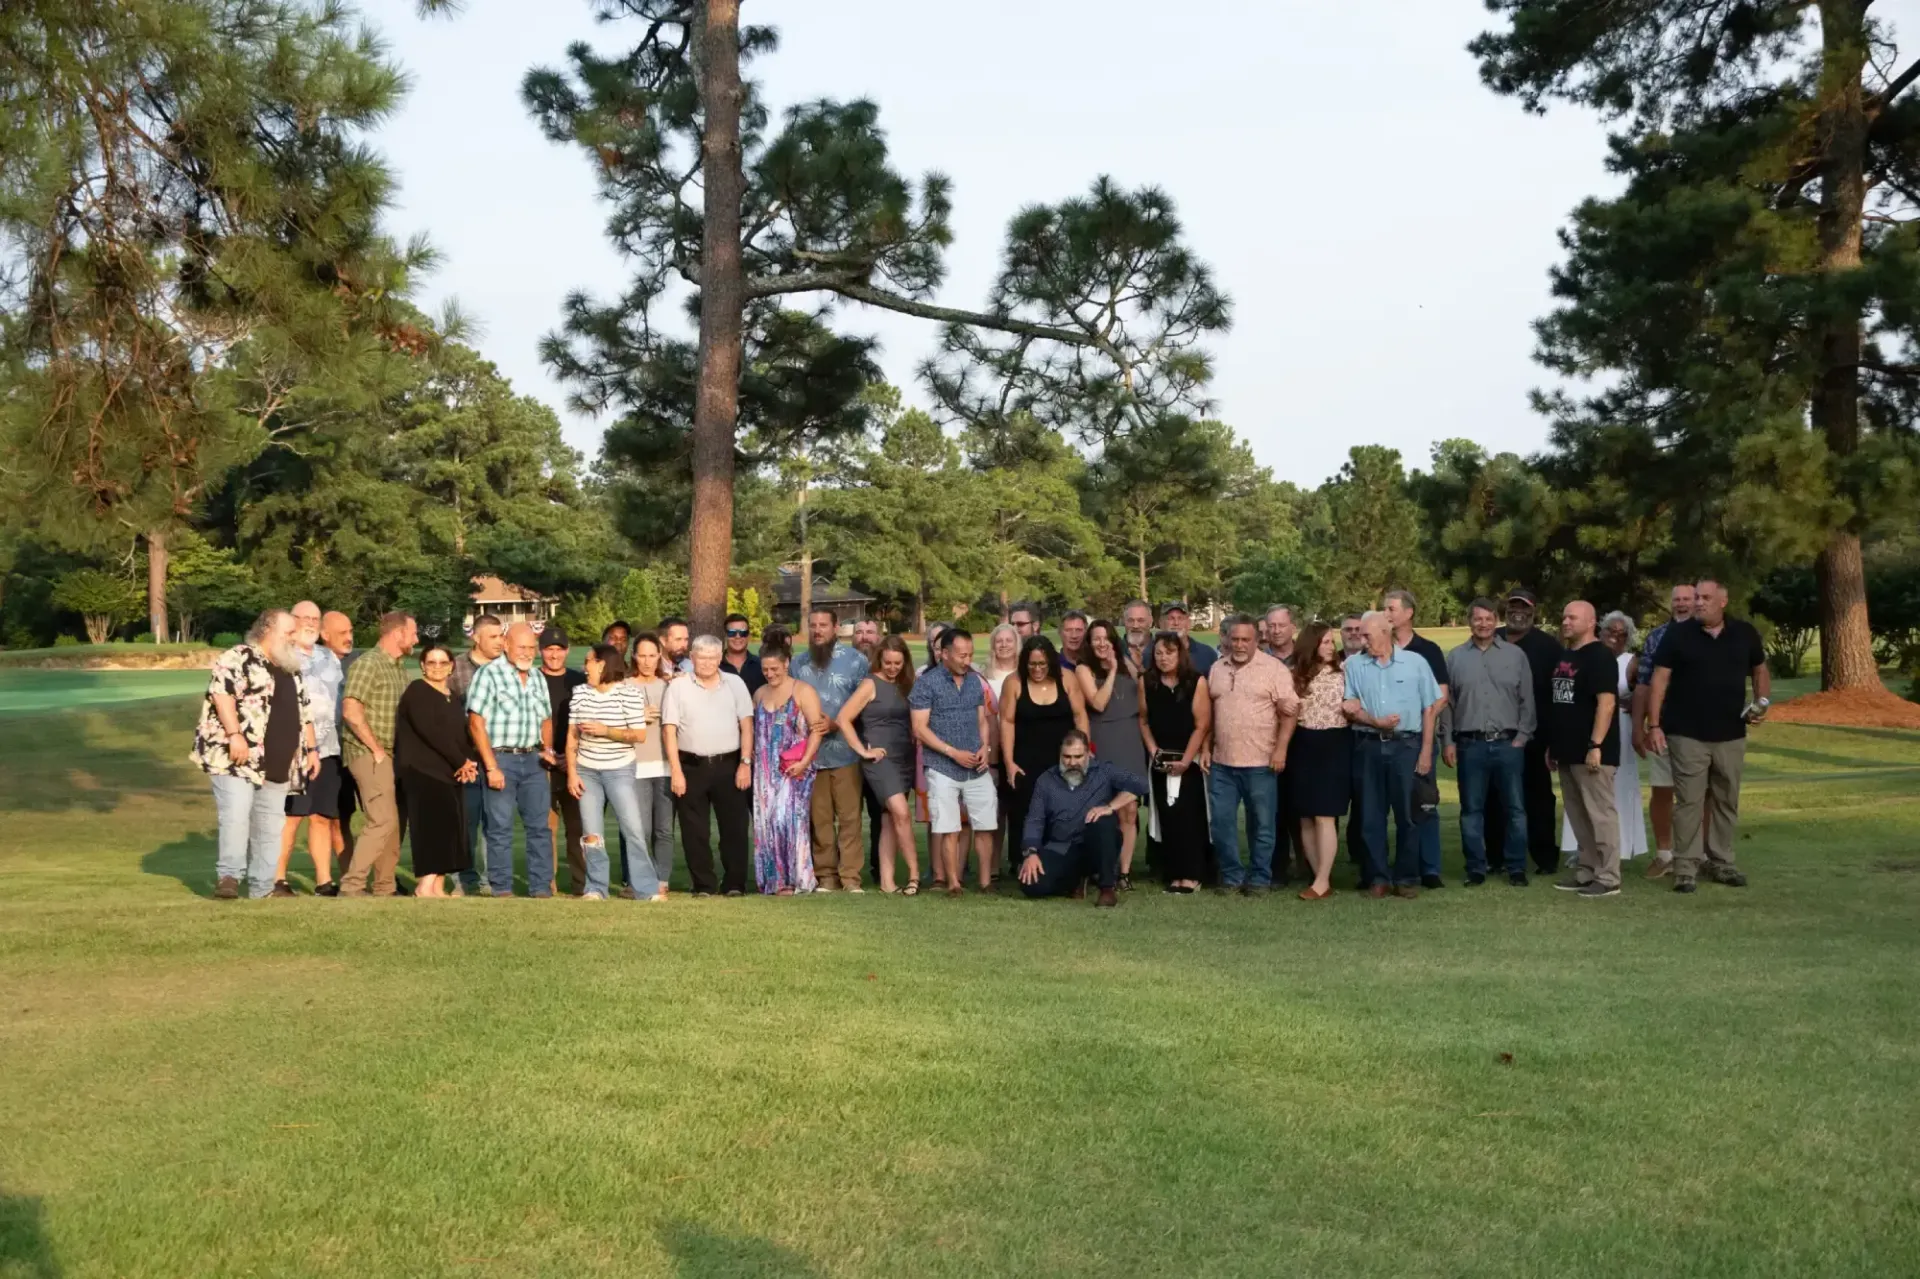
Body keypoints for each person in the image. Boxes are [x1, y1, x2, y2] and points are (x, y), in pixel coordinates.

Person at [1648, 578, 1769, 895]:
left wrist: (1761, 702)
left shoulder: (1744, 633)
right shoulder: (1678, 634)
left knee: (1726, 799)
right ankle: (1685, 867)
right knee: (1689, 801)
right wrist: (1654, 724)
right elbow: (1659, 679)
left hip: (1730, 732)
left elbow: (1759, 668)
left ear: (1723, 602)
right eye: (1696, 597)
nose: (1698, 603)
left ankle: (1722, 863)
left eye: (1705, 598)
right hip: (1686, 733)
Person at [192, 609, 321, 899]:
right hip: (236, 758)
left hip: (279, 762)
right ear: (267, 630)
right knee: (236, 815)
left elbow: (305, 713)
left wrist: (312, 750)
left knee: (270, 826)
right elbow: (221, 693)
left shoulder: (291, 668)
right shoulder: (238, 657)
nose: (294, 637)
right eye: (289, 632)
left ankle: (263, 888)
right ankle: (229, 877)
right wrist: (234, 734)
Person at [1342, 611, 1442, 899]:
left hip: (1407, 746)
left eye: (1367, 635)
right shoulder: (1354, 665)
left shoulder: (1416, 663)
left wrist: (1425, 751)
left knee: (1408, 815)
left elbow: (1429, 708)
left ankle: (1406, 877)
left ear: (1385, 633)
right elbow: (1350, 705)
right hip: (1369, 745)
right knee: (1371, 816)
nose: (1361, 640)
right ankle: (1377, 877)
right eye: (1359, 634)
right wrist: (1372, 719)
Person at [1443, 598, 1538, 887]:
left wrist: (1522, 737)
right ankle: (1476, 868)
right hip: (1470, 745)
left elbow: (1527, 700)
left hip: (1509, 744)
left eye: (1488, 618)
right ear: (1469, 621)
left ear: (1496, 620)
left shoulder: (1515, 655)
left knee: (1515, 809)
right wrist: (1447, 741)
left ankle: (1516, 867)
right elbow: (1448, 704)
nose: (1483, 624)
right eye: (1477, 619)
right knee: (1471, 810)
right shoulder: (1456, 658)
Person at [1204, 614, 1298, 895]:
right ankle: (1232, 876)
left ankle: (1259, 878)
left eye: (1246, 639)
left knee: (1263, 826)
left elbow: (1290, 713)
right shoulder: (1217, 669)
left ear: (1258, 640)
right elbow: (1209, 713)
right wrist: (1205, 747)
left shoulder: (1274, 669)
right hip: (1222, 763)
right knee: (1221, 823)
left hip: (1261, 763)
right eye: (1235, 639)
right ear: (1227, 639)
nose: (1240, 645)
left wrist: (1280, 749)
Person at [565, 642, 664, 901]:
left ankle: (646, 889)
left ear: (602, 664)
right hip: (587, 771)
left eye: (588, 661)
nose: (584, 667)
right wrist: (572, 773)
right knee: (592, 833)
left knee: (633, 829)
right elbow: (572, 737)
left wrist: (606, 730)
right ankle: (596, 888)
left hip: (619, 770)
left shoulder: (628, 694)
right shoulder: (580, 693)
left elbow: (639, 735)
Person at [466, 622, 559, 898]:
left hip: (533, 760)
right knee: (499, 827)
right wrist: (491, 766)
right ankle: (502, 887)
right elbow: (475, 723)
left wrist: (548, 749)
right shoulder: (488, 674)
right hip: (500, 759)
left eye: (532, 647)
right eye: (522, 647)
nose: (527, 652)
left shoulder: (537, 677)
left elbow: (545, 718)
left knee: (539, 827)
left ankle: (540, 887)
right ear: (506, 645)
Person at [663, 635, 755, 896]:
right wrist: (676, 771)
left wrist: (745, 763)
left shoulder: (735, 683)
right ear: (692, 658)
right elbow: (669, 730)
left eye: (712, 657)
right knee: (694, 831)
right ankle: (704, 885)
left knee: (735, 829)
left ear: (720, 658)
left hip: (729, 765)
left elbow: (746, 726)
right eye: (701, 657)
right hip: (690, 766)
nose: (706, 662)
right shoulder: (679, 687)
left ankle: (735, 883)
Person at [910, 627, 997, 898]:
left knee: (985, 825)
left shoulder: (974, 681)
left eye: (970, 654)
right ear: (944, 654)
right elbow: (919, 729)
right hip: (941, 766)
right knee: (948, 827)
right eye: (961, 655)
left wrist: (984, 747)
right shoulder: (926, 683)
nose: (967, 660)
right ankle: (953, 884)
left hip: (976, 765)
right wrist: (952, 752)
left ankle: (985, 882)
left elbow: (982, 719)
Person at [1015, 730, 1148, 908]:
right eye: (1067, 757)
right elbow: (1034, 820)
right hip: (1061, 847)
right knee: (1030, 885)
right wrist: (1031, 853)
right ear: (1060, 755)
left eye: (1078, 756)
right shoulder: (1046, 780)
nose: (1072, 763)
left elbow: (1142, 784)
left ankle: (1107, 889)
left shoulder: (1104, 772)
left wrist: (1111, 806)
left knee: (1104, 822)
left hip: (1095, 843)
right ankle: (1075, 881)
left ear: (1088, 754)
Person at [791, 606, 872, 892]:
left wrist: (838, 724)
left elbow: (867, 705)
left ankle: (850, 878)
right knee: (820, 820)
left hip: (846, 753)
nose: (817, 630)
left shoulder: (856, 661)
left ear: (835, 627)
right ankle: (825, 876)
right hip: (811, 757)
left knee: (850, 819)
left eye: (823, 625)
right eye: (813, 625)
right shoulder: (798, 664)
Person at [1001, 635, 1089, 893]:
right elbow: (1006, 722)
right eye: (1031, 665)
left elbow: (1080, 716)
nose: (1037, 670)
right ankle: (1025, 866)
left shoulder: (1067, 679)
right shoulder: (1014, 682)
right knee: (1025, 813)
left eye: (1042, 664)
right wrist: (1008, 762)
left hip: (1062, 760)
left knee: (1064, 814)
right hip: (1026, 762)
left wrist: (1084, 754)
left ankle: (1068, 870)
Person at [1547, 601, 1623, 898]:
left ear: (1591, 622)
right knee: (1578, 816)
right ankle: (1587, 870)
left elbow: (1606, 703)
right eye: (1564, 615)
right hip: (1566, 750)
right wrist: (1554, 746)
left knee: (1600, 814)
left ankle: (1609, 877)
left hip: (1592, 752)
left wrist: (1596, 745)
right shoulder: (1567, 655)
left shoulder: (1600, 656)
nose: (1565, 621)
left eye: (1572, 617)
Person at [1485, 589, 1563, 877]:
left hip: (1534, 735)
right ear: (1505, 609)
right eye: (1514, 606)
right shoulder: (1492, 639)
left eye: (1525, 608)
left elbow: (1558, 695)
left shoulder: (1548, 646)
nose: (1519, 612)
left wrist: (1553, 740)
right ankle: (1496, 856)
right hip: (1496, 733)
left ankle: (1544, 856)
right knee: (1494, 798)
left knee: (1538, 797)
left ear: (1534, 611)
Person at [339, 611, 417, 897]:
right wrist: (376, 750)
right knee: (382, 819)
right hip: (369, 752)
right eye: (413, 633)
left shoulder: (399, 668)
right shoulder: (367, 663)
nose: (416, 639)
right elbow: (351, 710)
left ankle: (385, 886)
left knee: (395, 823)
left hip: (394, 755)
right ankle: (352, 886)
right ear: (398, 634)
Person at [1561, 611, 1648, 866]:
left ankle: (1615, 852)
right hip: (1586, 729)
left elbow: (1642, 691)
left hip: (1618, 728)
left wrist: (1634, 707)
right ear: (1601, 630)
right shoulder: (1588, 655)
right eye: (1611, 631)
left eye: (1622, 634)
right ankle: (1583, 851)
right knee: (1583, 792)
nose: (1615, 637)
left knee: (1613, 791)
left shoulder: (1631, 662)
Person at [839, 636, 921, 894]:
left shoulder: (908, 685)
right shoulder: (869, 684)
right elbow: (843, 719)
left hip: (904, 757)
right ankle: (914, 875)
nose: (893, 667)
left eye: (898, 663)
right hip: (880, 758)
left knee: (889, 819)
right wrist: (863, 750)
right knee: (901, 813)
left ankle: (887, 882)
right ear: (880, 659)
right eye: (888, 662)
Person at [394, 643, 477, 898]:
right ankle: (425, 885)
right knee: (431, 829)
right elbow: (432, 733)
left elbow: (462, 735)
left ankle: (438, 886)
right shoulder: (417, 691)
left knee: (450, 828)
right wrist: (460, 762)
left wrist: (469, 762)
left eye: (443, 662)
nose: (438, 667)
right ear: (422, 666)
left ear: (452, 666)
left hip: (448, 772)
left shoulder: (451, 695)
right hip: (422, 771)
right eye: (432, 662)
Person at [750, 630, 827, 894]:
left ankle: (794, 878)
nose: (770, 674)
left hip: (795, 769)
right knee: (766, 823)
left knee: (787, 820)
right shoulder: (759, 694)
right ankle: (773, 879)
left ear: (786, 664)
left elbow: (817, 730)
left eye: (775, 668)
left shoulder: (802, 691)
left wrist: (805, 762)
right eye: (765, 669)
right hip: (764, 771)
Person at [276, 600, 344, 896]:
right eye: (304, 618)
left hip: (328, 750)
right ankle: (277, 879)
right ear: (291, 620)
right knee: (291, 818)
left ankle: (323, 882)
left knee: (321, 817)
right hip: (294, 752)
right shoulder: (280, 655)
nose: (310, 623)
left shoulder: (329, 658)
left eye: (315, 619)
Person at [1384, 589, 1450, 888]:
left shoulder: (1428, 650)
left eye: (1392, 609)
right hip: (1386, 740)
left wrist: (1419, 716)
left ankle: (1430, 869)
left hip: (1419, 738)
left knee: (1424, 804)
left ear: (1409, 613)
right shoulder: (1379, 649)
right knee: (1388, 808)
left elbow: (1442, 697)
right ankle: (1390, 869)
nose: (1387, 614)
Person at [1633, 583, 1699, 878]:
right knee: (1662, 790)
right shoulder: (1658, 636)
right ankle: (1664, 855)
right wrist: (1640, 725)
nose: (1682, 604)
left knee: (1704, 793)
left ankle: (1702, 855)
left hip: (1702, 729)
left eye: (1688, 599)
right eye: (1677, 600)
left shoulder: (1709, 635)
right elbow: (1644, 684)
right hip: (1664, 727)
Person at [1076, 618, 1148, 886]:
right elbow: (1097, 702)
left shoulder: (1127, 664)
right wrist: (1111, 670)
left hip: (1130, 738)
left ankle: (1125, 872)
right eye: (1096, 638)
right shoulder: (1084, 669)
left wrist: (1124, 664)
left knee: (1129, 809)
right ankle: (1103, 867)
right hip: (1103, 739)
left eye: (1106, 638)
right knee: (1102, 808)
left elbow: (1141, 690)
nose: (1102, 643)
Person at [1141, 631, 1212, 892]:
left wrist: (1186, 760)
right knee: (1167, 816)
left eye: (1169, 652)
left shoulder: (1196, 682)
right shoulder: (1147, 682)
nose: (1163, 658)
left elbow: (1202, 724)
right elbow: (1144, 720)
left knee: (1189, 817)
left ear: (1180, 654)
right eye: (1158, 653)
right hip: (1161, 760)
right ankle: (1174, 873)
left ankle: (1193, 874)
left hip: (1189, 761)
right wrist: (1153, 751)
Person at [1288, 622, 1352, 899]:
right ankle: (1318, 877)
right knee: (1306, 817)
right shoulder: (1295, 675)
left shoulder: (1345, 672)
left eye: (1331, 641)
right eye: (1325, 641)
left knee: (1325, 815)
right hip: (1302, 743)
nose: (1330, 646)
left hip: (1334, 743)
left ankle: (1323, 879)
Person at [449, 613, 505, 894]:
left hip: (498, 756)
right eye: (493, 637)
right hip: (466, 758)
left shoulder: (505, 668)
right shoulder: (456, 668)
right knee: (467, 820)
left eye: (501, 636)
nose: (500, 642)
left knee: (495, 822)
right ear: (476, 637)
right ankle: (464, 879)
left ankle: (492, 880)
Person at [623, 633, 677, 894]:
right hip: (635, 766)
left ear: (659, 656)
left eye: (652, 655)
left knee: (664, 829)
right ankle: (641, 880)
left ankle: (662, 880)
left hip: (665, 767)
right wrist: (636, 716)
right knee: (640, 829)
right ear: (634, 656)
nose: (647, 661)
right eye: (642, 655)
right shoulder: (623, 686)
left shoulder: (669, 687)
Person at [538, 629, 588, 895]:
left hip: (575, 763)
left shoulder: (580, 680)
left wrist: (572, 757)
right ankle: (547, 884)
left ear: (567, 650)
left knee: (578, 828)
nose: (554, 654)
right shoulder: (532, 679)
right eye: (548, 649)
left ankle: (581, 885)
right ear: (541, 651)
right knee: (545, 828)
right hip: (541, 763)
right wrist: (543, 751)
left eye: (559, 649)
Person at [321, 609, 359, 881]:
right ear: (325, 635)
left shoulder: (359, 662)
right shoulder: (312, 663)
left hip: (359, 750)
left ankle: (381, 878)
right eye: (342, 633)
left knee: (379, 818)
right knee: (335, 817)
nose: (349, 638)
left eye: (351, 632)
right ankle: (345, 877)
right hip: (328, 753)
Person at [1158, 601, 1216, 675]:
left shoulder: (1207, 654)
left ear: (1189, 623)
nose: (1176, 623)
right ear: (1160, 623)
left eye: (1181, 618)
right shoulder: (1150, 654)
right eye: (1170, 618)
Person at [721, 613, 766, 693]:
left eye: (743, 633)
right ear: (725, 635)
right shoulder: (715, 665)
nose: (738, 637)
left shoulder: (761, 665)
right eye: (732, 633)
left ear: (748, 636)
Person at [1121, 599, 1156, 671]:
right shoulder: (1113, 651)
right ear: (1124, 621)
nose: (1135, 626)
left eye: (1141, 620)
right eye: (1130, 620)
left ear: (1150, 622)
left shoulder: (1161, 652)